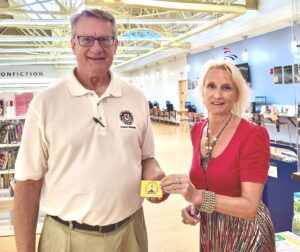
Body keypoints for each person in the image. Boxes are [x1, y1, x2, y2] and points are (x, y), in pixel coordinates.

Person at [13, 9, 167, 252]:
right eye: (86, 39)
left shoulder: (136, 98)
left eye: (105, 39)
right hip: (66, 238)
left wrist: (154, 181)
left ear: (115, 45)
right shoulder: (45, 104)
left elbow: (146, 158)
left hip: (130, 233)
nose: (97, 48)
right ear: (73, 44)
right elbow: (27, 184)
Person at [161, 60, 276, 251]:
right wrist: (197, 206)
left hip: (248, 234)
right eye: (211, 86)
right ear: (202, 91)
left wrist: (197, 196)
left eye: (226, 88)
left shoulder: (253, 136)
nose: (217, 95)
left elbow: (249, 207)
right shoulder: (197, 130)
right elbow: (209, 184)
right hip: (212, 231)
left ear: (237, 94)